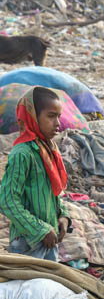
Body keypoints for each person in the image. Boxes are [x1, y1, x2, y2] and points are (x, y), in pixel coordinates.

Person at [0, 86, 71, 261]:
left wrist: (63, 215)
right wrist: (39, 229)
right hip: (27, 242)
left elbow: (52, 192)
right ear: (32, 116)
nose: (57, 123)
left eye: (58, 117)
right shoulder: (22, 154)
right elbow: (7, 201)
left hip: (49, 238)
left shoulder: (48, 149)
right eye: (51, 116)